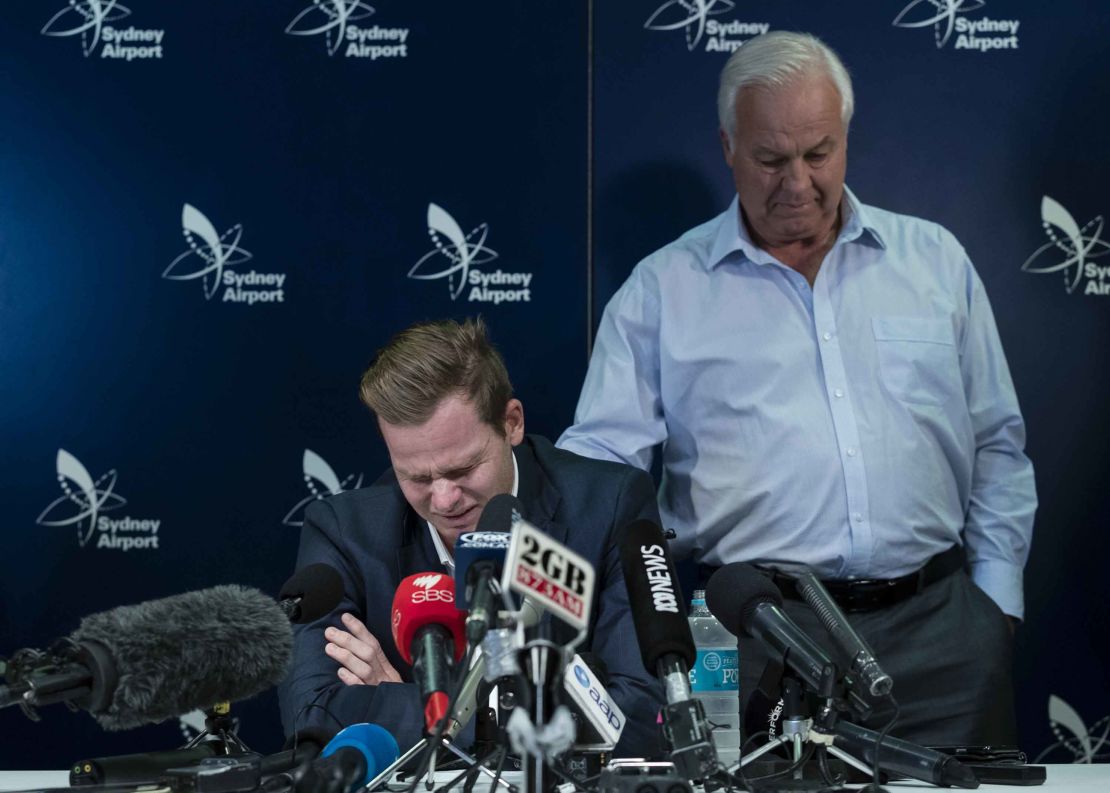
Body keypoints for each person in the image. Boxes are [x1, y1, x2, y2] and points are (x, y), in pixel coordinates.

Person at [557, 31, 1035, 746]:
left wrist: (996, 604)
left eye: (818, 154)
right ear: (727, 147)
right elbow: (600, 482)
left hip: (945, 640)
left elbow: (997, 442)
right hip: (760, 642)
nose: (798, 182)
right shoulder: (661, 292)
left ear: (844, 136)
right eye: (771, 159)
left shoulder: (935, 261)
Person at [278, 317, 664, 757]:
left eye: (462, 470)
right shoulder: (344, 532)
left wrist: (422, 705)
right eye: (416, 477)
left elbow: (640, 714)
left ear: (512, 423)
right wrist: (484, 718)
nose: (444, 500)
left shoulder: (609, 505)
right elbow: (311, 717)